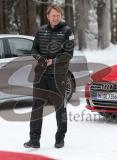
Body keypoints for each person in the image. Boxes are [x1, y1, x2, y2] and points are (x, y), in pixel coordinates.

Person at [24, 4, 74, 149]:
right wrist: (40, 58)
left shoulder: (67, 31)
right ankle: (34, 140)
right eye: (53, 15)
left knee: (60, 108)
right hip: (41, 75)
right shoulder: (41, 31)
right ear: (48, 16)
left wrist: (53, 61)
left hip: (58, 75)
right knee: (36, 108)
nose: (56, 18)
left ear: (61, 16)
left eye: (58, 15)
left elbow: (69, 54)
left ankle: (60, 139)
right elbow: (34, 49)